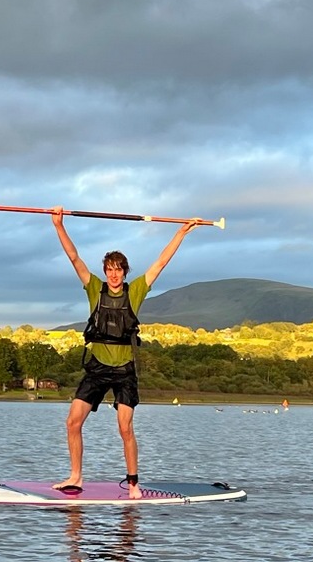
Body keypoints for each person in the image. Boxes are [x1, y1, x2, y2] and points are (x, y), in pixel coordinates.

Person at [51, 206, 205, 499]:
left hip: (124, 372)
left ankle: (133, 483)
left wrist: (181, 232)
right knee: (72, 421)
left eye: (118, 269)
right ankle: (76, 476)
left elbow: (160, 263)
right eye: (109, 269)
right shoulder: (94, 288)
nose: (113, 274)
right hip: (97, 367)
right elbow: (74, 258)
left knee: (124, 427)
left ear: (124, 271)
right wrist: (59, 225)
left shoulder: (135, 292)